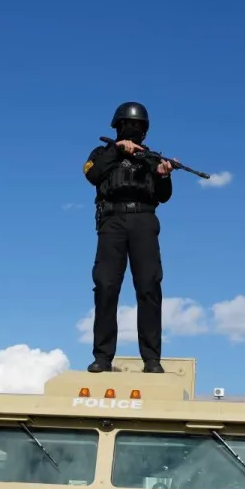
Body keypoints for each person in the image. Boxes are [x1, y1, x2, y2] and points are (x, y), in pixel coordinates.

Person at [82, 101, 174, 374]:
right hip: (112, 222)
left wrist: (163, 175)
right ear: (118, 126)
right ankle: (103, 357)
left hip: (144, 221)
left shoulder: (152, 158)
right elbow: (93, 174)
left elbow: (164, 196)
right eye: (128, 124)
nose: (133, 129)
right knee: (106, 287)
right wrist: (116, 149)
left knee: (149, 287)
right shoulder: (101, 152)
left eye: (138, 126)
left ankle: (152, 360)